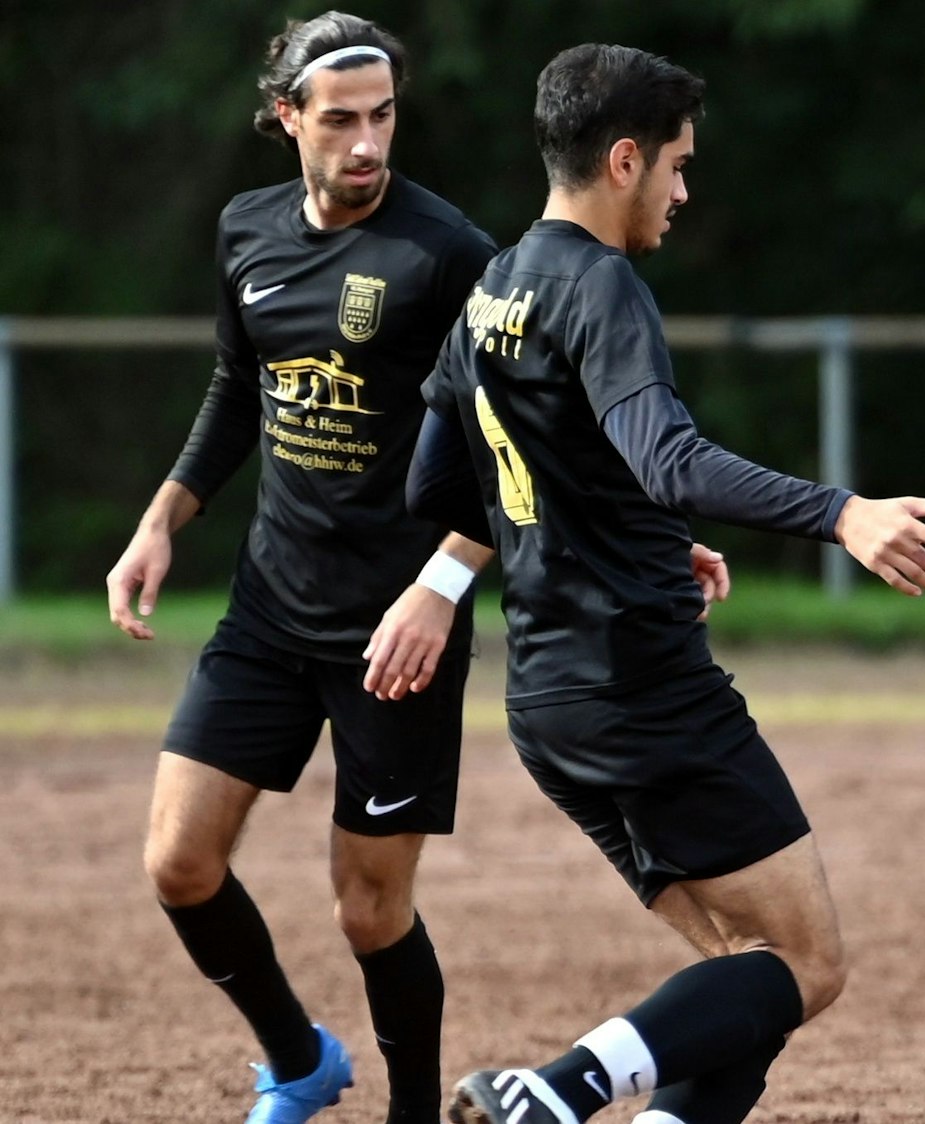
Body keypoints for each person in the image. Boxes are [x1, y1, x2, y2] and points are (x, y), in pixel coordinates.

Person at [407, 44, 925, 1124]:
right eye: (675, 164)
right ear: (623, 160)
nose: (682, 189)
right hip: (645, 688)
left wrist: (633, 537)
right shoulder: (600, 283)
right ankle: (556, 1094)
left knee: (740, 982)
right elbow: (667, 457)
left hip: (549, 696)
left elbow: (437, 481)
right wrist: (840, 512)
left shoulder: (494, 284)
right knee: (806, 963)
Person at [102, 12, 497, 1124]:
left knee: (370, 912)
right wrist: (163, 517)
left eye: (382, 116)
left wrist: (445, 581)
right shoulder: (247, 231)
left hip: (399, 626)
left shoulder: (450, 254)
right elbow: (240, 385)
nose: (367, 142)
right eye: (340, 120)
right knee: (178, 861)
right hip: (270, 605)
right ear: (287, 119)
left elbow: (520, 439)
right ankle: (299, 1057)